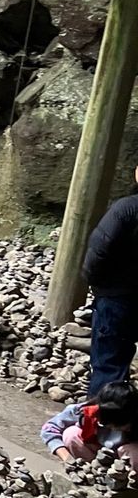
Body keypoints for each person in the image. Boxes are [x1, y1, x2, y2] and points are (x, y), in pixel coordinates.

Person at [83, 165, 138, 396]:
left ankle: (102, 426)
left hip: (116, 298)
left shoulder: (126, 209)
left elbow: (98, 252)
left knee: (109, 366)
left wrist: (97, 284)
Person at [41, 379, 138, 471]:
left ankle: (129, 480)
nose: (113, 428)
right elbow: (49, 429)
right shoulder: (83, 411)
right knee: (71, 434)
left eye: (120, 424)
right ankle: (89, 470)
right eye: (109, 424)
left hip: (124, 460)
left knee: (134, 451)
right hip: (92, 453)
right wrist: (67, 458)